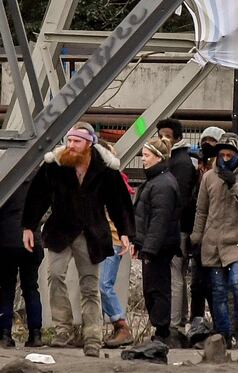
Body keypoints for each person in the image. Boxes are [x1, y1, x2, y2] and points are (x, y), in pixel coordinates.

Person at [21, 122, 135, 357]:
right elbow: (37, 196)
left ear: (89, 144)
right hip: (60, 231)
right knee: (55, 276)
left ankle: (92, 335)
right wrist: (28, 226)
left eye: (76, 142)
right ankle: (63, 330)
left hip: (91, 233)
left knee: (90, 286)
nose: (71, 145)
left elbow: (119, 202)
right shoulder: (56, 164)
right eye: (69, 140)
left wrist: (125, 232)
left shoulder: (105, 169)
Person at [191, 132, 238, 349]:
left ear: (237, 153)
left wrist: (235, 185)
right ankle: (223, 334)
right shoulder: (209, 178)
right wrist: (196, 236)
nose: (224, 158)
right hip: (214, 243)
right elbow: (202, 210)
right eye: (221, 154)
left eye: (228, 154)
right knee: (218, 291)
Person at [132, 137, 181, 344]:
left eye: (147, 155)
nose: (143, 159)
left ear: (158, 157)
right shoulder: (155, 181)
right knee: (152, 288)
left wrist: (149, 248)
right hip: (152, 245)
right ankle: (159, 330)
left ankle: (162, 332)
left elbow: (159, 220)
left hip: (158, 247)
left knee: (157, 288)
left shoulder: (162, 184)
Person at [157, 118, 197, 335]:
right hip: (177, 226)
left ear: (177, 138)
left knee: (175, 275)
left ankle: (174, 325)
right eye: (160, 135)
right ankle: (179, 320)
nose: (163, 139)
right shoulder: (177, 160)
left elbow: (179, 199)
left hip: (177, 227)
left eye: (167, 136)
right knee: (177, 274)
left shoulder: (179, 163)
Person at [186, 126, 224, 346]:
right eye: (205, 142)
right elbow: (196, 205)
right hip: (200, 236)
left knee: (215, 285)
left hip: (217, 236)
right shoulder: (197, 172)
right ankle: (196, 323)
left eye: (212, 143)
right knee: (197, 284)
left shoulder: (220, 172)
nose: (207, 147)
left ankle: (220, 327)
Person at [98, 141, 136, 349]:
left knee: (104, 284)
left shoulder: (112, 182)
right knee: (100, 285)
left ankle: (121, 325)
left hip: (112, 239)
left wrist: (125, 235)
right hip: (104, 239)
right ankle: (115, 327)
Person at [0, 182, 43, 348]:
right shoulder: (38, 179)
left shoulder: (6, 175)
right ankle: (35, 334)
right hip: (32, 242)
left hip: (6, 240)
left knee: (6, 288)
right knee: (31, 287)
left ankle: (4, 334)